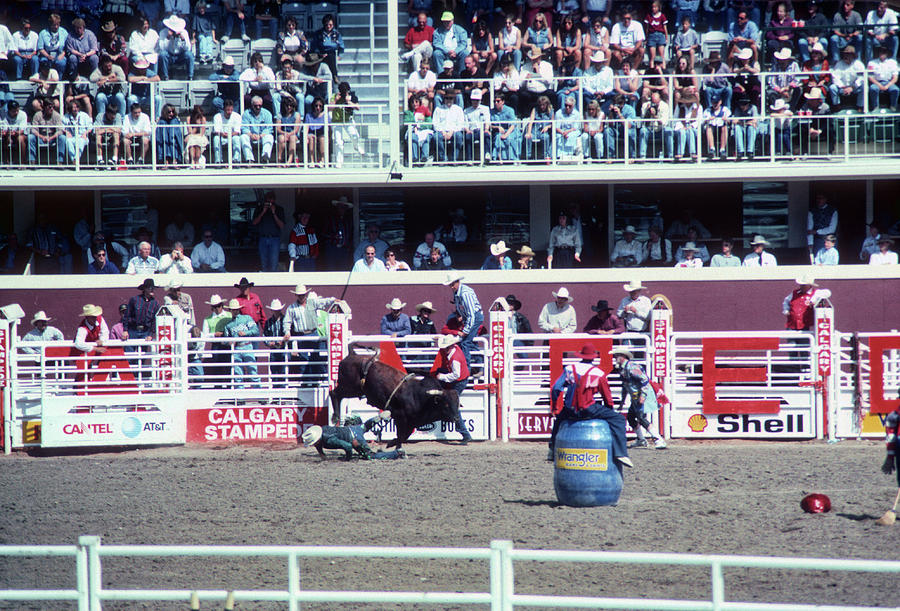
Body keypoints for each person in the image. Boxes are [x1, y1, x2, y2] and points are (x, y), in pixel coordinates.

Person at [548, 344, 632, 468]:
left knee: (559, 419)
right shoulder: (598, 373)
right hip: (588, 408)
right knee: (618, 419)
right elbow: (607, 397)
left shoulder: (569, 369)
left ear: (581, 355)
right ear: (594, 358)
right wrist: (609, 410)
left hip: (570, 409)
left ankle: (552, 450)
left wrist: (555, 406)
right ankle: (620, 453)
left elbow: (555, 389)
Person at [611, 347, 667, 449]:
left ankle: (658, 439)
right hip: (636, 395)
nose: (615, 357)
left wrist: (643, 396)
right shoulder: (623, 368)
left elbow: (644, 381)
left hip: (641, 394)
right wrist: (622, 401)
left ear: (623, 356)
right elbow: (625, 385)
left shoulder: (632, 367)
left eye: (617, 355)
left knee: (641, 417)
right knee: (631, 417)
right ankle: (641, 439)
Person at [283, 283, 335, 385]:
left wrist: (333, 300)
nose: (301, 296)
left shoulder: (312, 303)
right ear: (296, 295)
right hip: (301, 335)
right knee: (303, 359)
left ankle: (315, 382)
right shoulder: (292, 308)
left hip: (313, 333)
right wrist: (287, 332)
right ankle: (306, 383)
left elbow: (323, 302)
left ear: (306, 294)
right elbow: (287, 321)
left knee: (316, 358)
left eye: (303, 294)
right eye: (299, 295)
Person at [430, 334, 473, 444]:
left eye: (446, 347)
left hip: (459, 381)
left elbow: (456, 375)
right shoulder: (454, 350)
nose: (444, 349)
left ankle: (465, 433)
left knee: (453, 405)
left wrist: (442, 377)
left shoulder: (455, 359)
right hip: (460, 378)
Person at [302, 413, 400, 460]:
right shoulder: (323, 430)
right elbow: (318, 444)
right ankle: (376, 419)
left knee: (370, 456)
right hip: (352, 428)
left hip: (354, 438)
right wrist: (322, 454)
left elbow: (348, 447)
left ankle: (397, 453)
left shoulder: (328, 440)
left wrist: (347, 459)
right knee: (364, 427)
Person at [442, 271, 483, 365]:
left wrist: (466, 329)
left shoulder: (465, 293)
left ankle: (466, 368)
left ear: (458, 282)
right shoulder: (458, 292)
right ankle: (478, 365)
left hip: (474, 317)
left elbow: (471, 313)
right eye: (450, 285)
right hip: (470, 318)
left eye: (453, 284)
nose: (451, 287)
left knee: (465, 343)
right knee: (468, 341)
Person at [223, 298, 260, 389]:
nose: (235, 311)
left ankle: (259, 393)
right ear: (230, 310)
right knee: (237, 372)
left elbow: (255, 330)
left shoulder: (247, 318)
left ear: (239, 309)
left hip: (247, 345)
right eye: (233, 309)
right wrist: (229, 342)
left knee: (252, 370)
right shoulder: (228, 325)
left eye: (236, 309)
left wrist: (246, 333)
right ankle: (240, 397)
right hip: (236, 349)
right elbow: (225, 340)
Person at [201, 294, 232, 387]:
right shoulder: (207, 319)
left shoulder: (229, 315)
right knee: (217, 367)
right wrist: (214, 334)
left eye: (219, 306)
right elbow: (205, 335)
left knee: (228, 368)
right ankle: (218, 388)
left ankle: (229, 388)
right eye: (215, 306)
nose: (217, 308)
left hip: (228, 345)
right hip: (216, 345)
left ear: (222, 305)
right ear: (212, 307)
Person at [252, 191, 285, 272]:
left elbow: (282, 226)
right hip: (263, 239)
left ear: (274, 200)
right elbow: (254, 222)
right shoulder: (260, 208)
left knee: (274, 264)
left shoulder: (279, 209)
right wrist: (263, 212)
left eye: (271, 201)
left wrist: (274, 213)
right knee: (264, 264)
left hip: (274, 239)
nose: (269, 203)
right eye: (268, 201)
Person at [125, 278, 159, 347]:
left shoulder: (155, 303)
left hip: (146, 331)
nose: (152, 290)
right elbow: (127, 315)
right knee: (130, 353)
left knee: (143, 354)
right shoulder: (135, 300)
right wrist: (125, 330)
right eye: (150, 288)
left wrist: (150, 334)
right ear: (145, 289)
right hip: (133, 330)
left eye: (153, 288)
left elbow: (154, 321)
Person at [242, 95, 275, 165]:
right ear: (252, 105)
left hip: (262, 136)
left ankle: (265, 157)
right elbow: (244, 128)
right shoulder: (246, 113)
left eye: (260, 105)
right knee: (243, 137)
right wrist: (251, 135)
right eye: (255, 106)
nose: (258, 107)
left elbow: (269, 128)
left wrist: (260, 136)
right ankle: (249, 159)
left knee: (269, 136)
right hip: (251, 136)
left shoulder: (267, 113)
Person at [263, 298, 288, 388]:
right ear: (272, 311)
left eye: (277, 310)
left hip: (283, 349)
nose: (276, 312)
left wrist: (284, 341)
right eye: (275, 310)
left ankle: (282, 395)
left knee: (283, 372)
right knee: (274, 372)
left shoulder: (286, 320)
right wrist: (270, 343)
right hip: (273, 350)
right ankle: (277, 395)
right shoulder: (268, 322)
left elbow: (290, 334)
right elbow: (264, 336)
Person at [867, 44, 900, 111]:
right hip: (877, 82)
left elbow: (895, 78)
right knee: (873, 88)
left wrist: (887, 86)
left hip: (889, 82)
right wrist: (879, 85)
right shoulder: (871, 63)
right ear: (878, 52)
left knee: (896, 90)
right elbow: (870, 77)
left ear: (887, 53)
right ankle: (875, 107)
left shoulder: (893, 62)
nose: (882, 53)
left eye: (884, 52)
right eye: (881, 51)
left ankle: (893, 107)